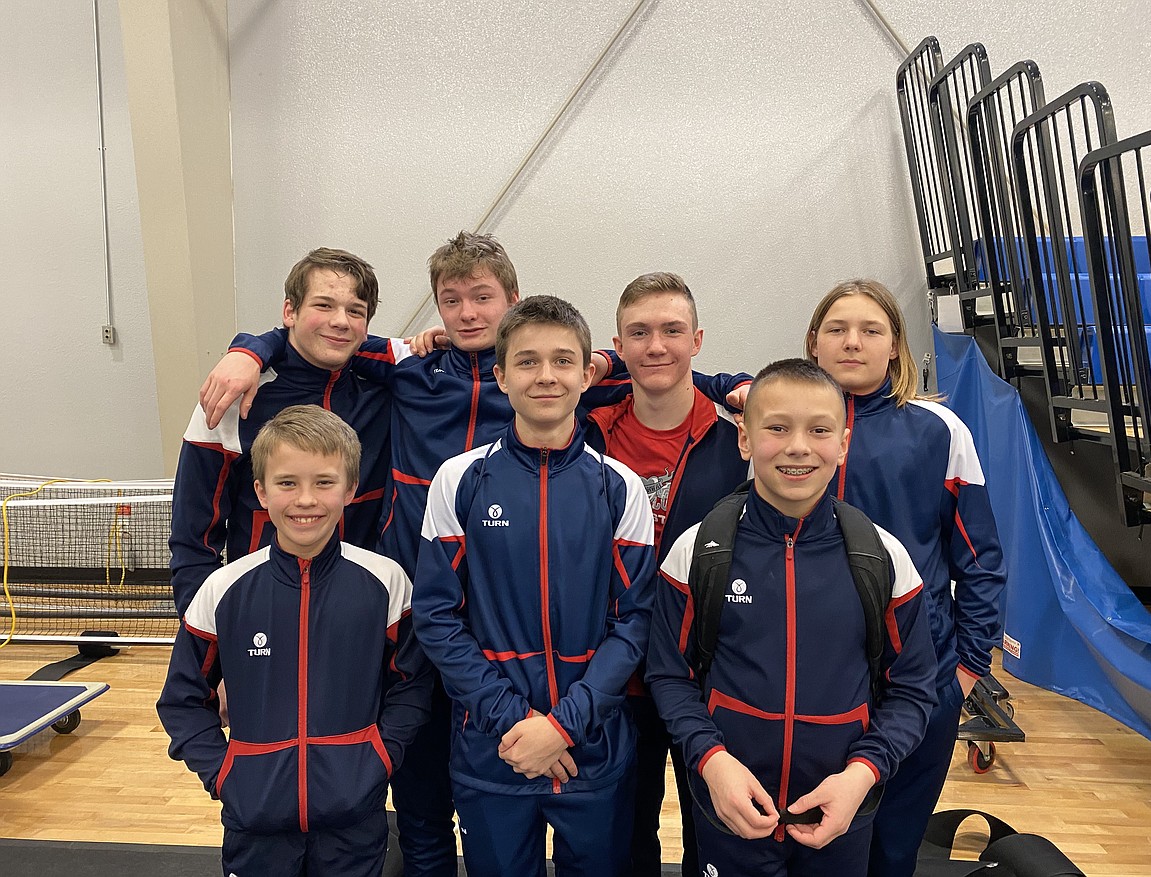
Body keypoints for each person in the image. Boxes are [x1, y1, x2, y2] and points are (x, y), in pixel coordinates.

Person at [198, 233, 750, 877]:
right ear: (503, 370)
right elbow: (323, 337)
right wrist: (249, 348)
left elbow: (654, 364)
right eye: (451, 300)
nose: (466, 313)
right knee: (422, 802)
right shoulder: (415, 386)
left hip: (587, 718)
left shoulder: (608, 470)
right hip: (446, 663)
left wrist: (565, 724)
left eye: (482, 297)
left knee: (624, 842)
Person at [645, 359, 938, 877]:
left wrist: (862, 775)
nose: (798, 446)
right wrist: (712, 762)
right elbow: (669, 676)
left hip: (841, 816)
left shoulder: (883, 558)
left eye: (819, 430)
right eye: (777, 427)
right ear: (745, 438)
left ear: (843, 444)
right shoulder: (698, 551)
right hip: (727, 812)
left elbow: (913, 690)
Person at [413, 295, 656, 877]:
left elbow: (636, 621)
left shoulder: (619, 486)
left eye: (561, 361)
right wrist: (515, 722)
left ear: (586, 373)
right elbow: (437, 618)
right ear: (500, 375)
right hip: (493, 746)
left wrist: (563, 726)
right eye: (526, 362)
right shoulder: (458, 479)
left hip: (590, 747)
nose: (545, 376)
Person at [157, 405, 432, 877]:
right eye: (287, 483)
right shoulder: (224, 590)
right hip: (254, 824)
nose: (306, 500)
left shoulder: (386, 583)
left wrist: (380, 758)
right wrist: (225, 773)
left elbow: (412, 685)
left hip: (354, 820)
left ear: (349, 489)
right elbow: (182, 702)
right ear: (261, 491)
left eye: (324, 482)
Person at [804, 279, 1007, 877]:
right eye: (837, 329)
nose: (852, 342)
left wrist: (967, 668)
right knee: (811, 838)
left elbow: (980, 558)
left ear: (894, 345)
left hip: (918, 676)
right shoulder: (778, 424)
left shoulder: (940, 431)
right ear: (813, 342)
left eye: (871, 330)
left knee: (893, 847)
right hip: (806, 679)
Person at [584, 272, 749, 877]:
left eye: (672, 330)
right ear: (617, 346)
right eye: (640, 333)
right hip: (613, 672)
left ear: (697, 340)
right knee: (625, 837)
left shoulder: (740, 442)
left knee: (717, 834)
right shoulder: (585, 434)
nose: (656, 346)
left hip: (707, 672)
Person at [170, 247, 394, 619]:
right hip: (262, 611)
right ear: (289, 311)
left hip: (358, 611)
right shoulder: (235, 396)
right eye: (323, 305)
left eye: (355, 311)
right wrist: (209, 634)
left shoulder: (387, 392)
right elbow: (194, 534)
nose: (340, 321)